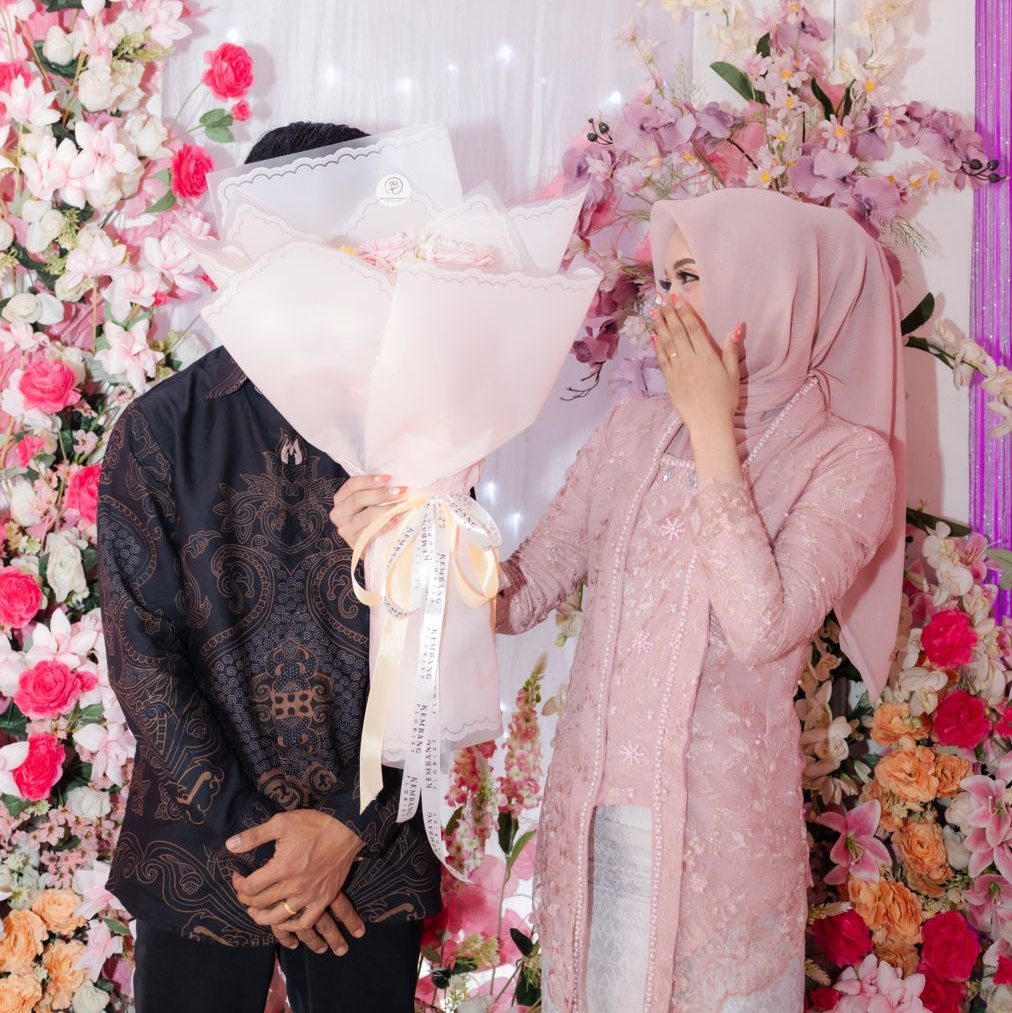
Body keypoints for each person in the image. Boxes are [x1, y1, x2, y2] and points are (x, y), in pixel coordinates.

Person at [496, 187, 906, 1013]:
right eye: (664, 282)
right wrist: (427, 535)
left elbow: (762, 626)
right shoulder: (629, 431)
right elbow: (520, 596)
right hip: (592, 830)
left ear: (771, 287)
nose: (669, 305)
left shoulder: (848, 460)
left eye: (693, 276)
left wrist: (715, 430)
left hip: (720, 851)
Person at [98, 120, 440, 1013]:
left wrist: (346, 829)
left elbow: (442, 651)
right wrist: (263, 846)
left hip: (366, 861)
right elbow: (143, 658)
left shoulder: (423, 428)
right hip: (203, 856)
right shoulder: (161, 429)